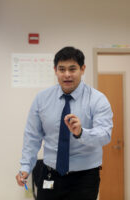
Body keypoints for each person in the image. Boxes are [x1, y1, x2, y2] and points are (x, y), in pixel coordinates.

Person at [15, 46, 113, 200]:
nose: (67, 75)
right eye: (62, 69)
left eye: (72, 69)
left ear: (82, 69)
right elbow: (32, 137)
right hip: (50, 174)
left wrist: (81, 133)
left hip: (85, 178)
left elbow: (105, 135)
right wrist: (25, 167)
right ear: (55, 70)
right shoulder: (42, 99)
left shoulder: (97, 99)